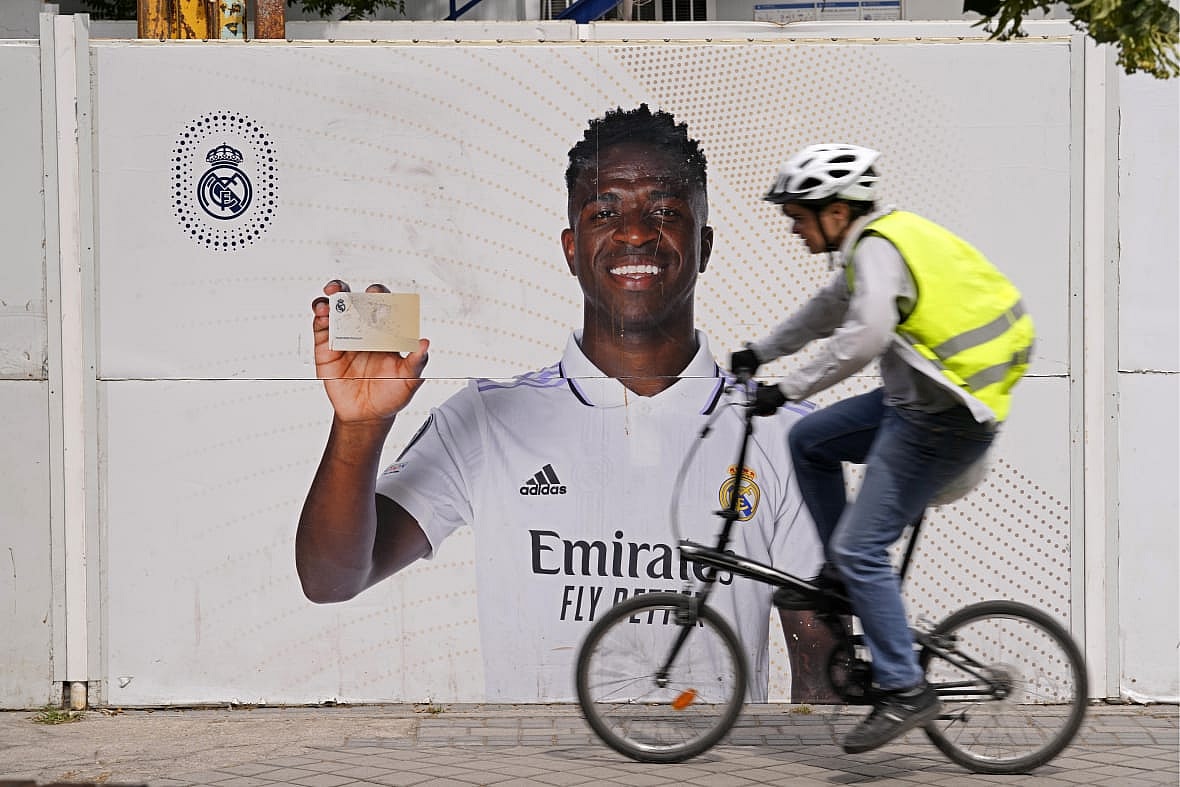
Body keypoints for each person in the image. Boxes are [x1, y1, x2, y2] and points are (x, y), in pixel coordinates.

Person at [297, 105, 837, 703]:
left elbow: (822, 671)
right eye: (605, 212)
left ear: (703, 244)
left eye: (664, 210)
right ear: (572, 248)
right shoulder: (483, 419)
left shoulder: (785, 437)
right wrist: (360, 427)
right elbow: (331, 579)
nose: (635, 231)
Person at [731, 143, 1034, 753]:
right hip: (911, 406)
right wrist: (762, 352)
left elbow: (863, 336)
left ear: (837, 211)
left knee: (861, 545)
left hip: (944, 422)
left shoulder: (878, 251)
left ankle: (903, 687)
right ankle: (842, 577)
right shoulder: (870, 247)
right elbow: (825, 312)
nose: (793, 227)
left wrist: (785, 386)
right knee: (809, 438)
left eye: (799, 214)